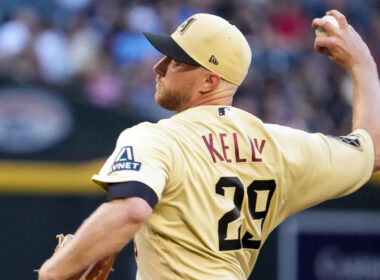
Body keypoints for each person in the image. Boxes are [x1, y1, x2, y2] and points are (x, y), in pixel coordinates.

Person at [39, 10, 380, 280]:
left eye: (175, 60)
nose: (159, 67)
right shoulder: (281, 146)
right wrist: (362, 64)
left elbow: (130, 210)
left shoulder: (156, 137)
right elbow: (372, 152)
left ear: (210, 81)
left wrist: (55, 272)